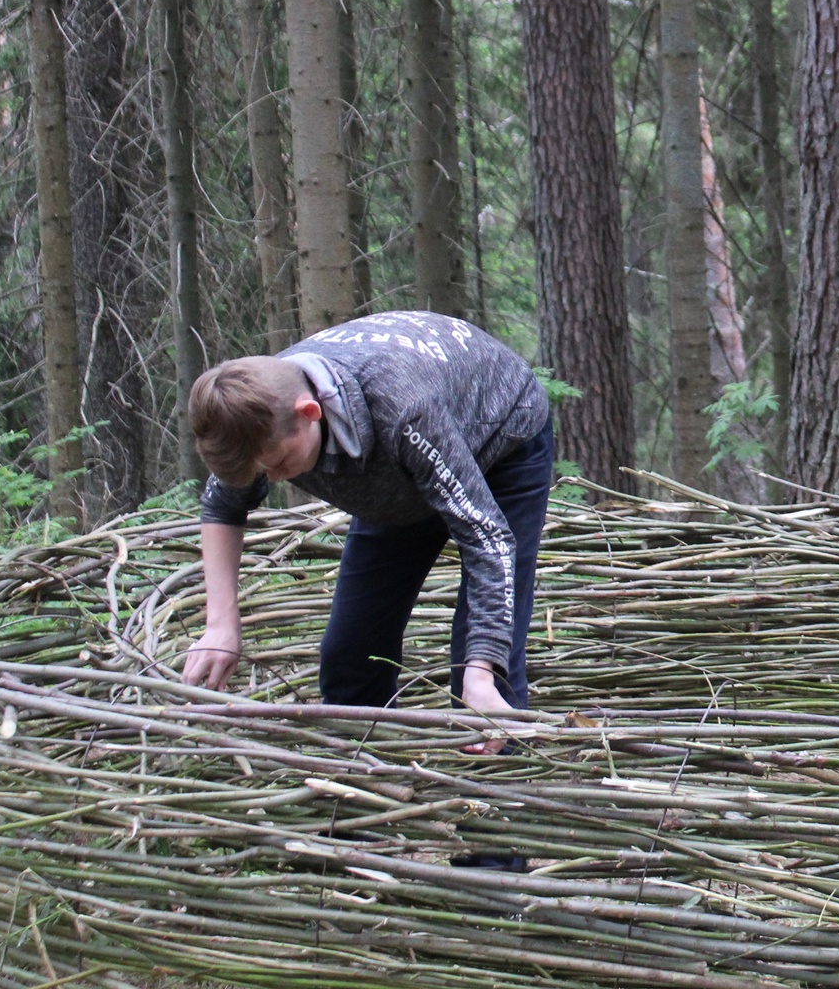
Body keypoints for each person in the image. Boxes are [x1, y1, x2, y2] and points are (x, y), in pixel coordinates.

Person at [178, 310, 556, 736]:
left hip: (499, 443)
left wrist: (482, 671)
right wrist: (221, 626)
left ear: (310, 411)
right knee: (350, 658)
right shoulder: (254, 414)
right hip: (398, 475)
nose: (275, 479)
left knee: (479, 672)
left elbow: (488, 539)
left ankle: (497, 778)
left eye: (280, 464)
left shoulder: (402, 411)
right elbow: (223, 506)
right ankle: (360, 774)